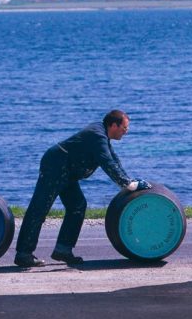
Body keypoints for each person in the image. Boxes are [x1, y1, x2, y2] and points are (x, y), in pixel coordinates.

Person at [14, 110, 151, 268]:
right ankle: (23, 254)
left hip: (67, 171)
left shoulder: (102, 134)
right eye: (124, 128)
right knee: (39, 208)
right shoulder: (98, 136)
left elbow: (114, 159)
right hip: (56, 166)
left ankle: (63, 250)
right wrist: (127, 184)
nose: (126, 132)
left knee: (77, 205)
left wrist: (129, 181)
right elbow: (108, 163)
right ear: (114, 125)